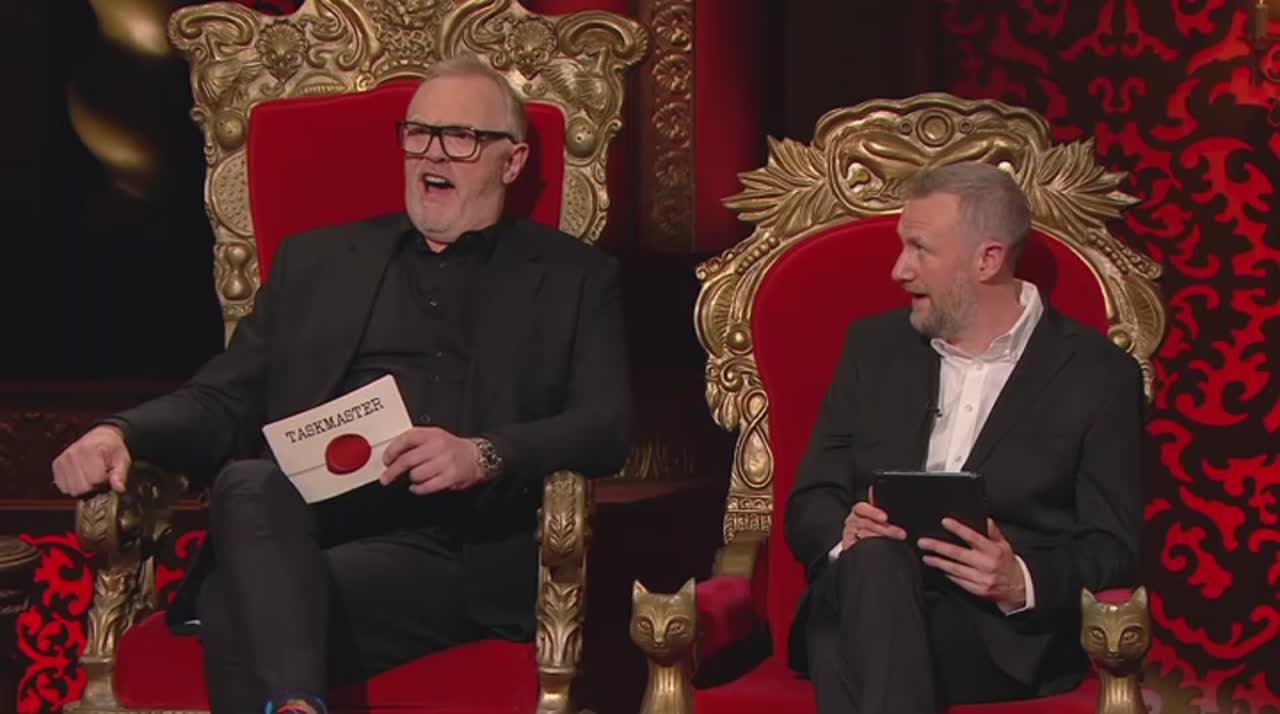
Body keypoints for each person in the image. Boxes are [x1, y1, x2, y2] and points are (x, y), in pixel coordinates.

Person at [52, 55, 631, 714]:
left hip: (454, 553)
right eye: (419, 133)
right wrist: (121, 432)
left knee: (237, 601)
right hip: (305, 530)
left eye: (461, 138)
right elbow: (223, 397)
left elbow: (606, 425)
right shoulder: (319, 262)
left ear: (513, 161)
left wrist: (483, 454)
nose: (432, 153)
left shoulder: (573, 278)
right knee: (247, 485)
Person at [784, 162, 1143, 713]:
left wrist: (1019, 579)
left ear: (988, 259)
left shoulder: (1098, 376)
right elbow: (810, 500)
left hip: (990, 638)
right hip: (860, 592)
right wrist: (845, 536)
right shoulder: (873, 350)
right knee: (875, 565)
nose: (899, 270)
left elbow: (1113, 547)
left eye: (920, 249)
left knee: (846, 649)